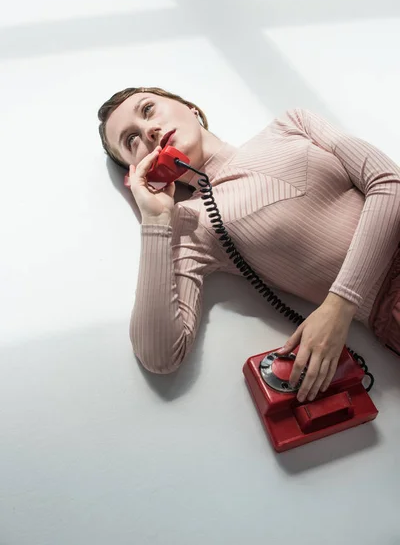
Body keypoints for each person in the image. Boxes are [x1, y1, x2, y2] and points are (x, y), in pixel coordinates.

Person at [98, 86, 400, 403]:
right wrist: (155, 220)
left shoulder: (292, 123)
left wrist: (339, 306)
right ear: (140, 170)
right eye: (132, 141)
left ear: (188, 106)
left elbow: (389, 183)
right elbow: (160, 355)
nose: (148, 131)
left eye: (147, 110)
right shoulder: (193, 223)